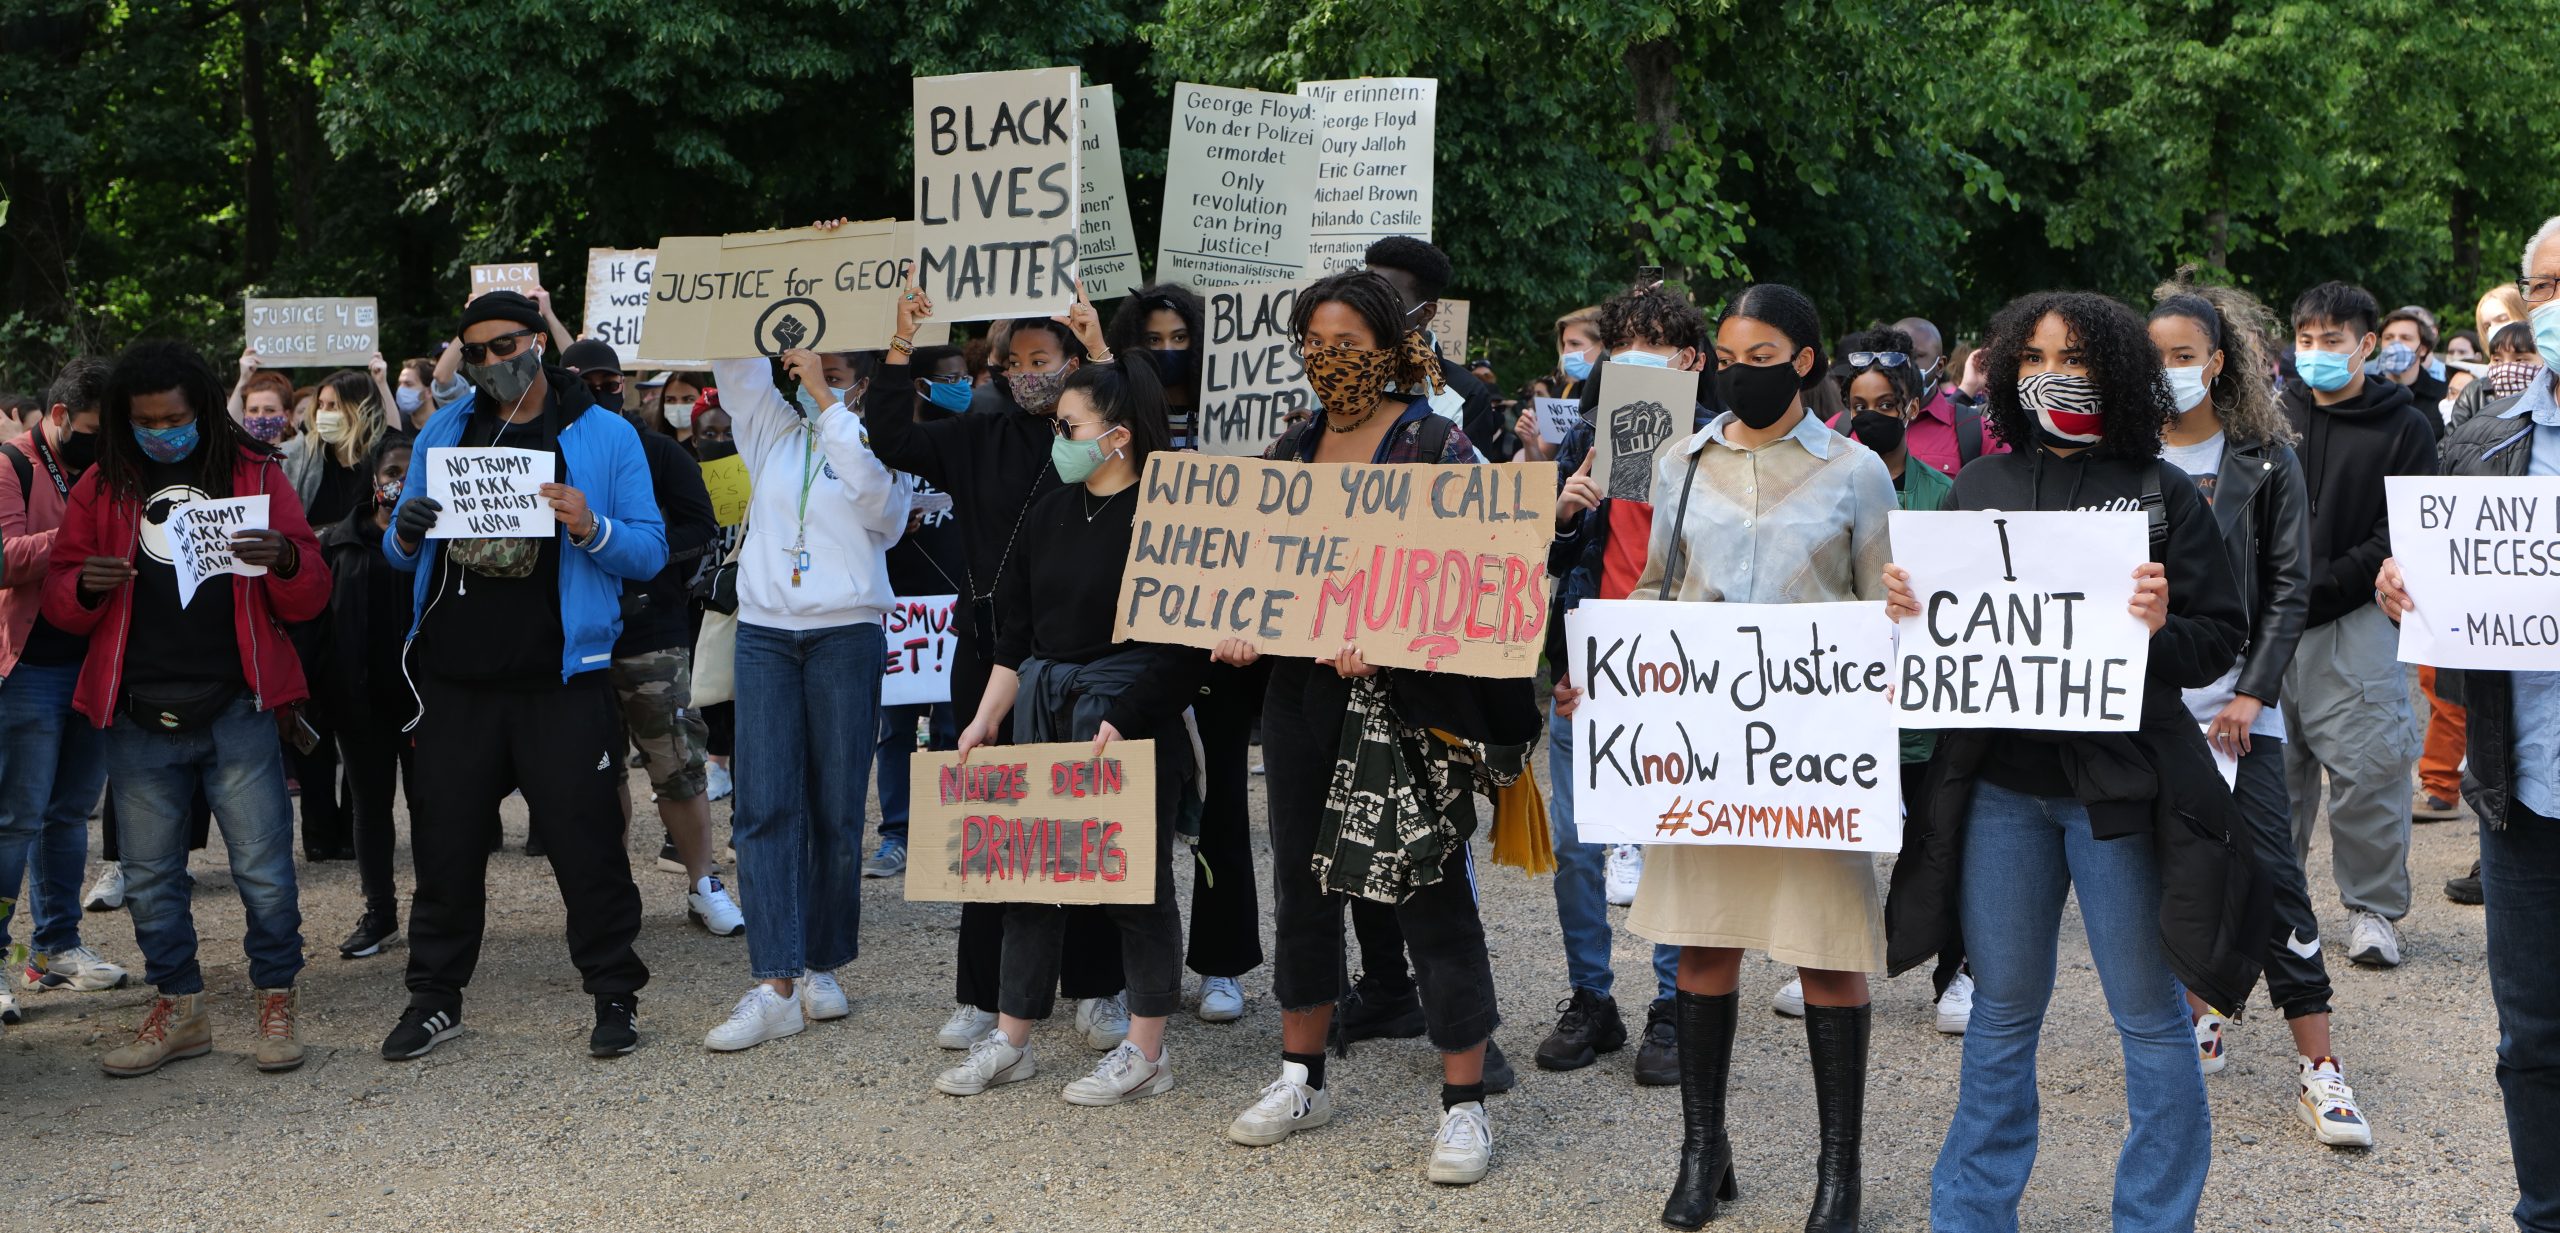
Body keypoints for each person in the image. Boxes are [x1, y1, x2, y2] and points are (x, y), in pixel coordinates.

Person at [1884, 290, 2257, 1231]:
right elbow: (1946, 646)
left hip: (2119, 797)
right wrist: (1909, 607)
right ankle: (1969, 1217)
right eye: (2036, 356)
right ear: (2010, 370)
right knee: (2003, 1015)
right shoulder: (1978, 487)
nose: (2055, 374)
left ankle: (2155, 1218)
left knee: (2149, 1018)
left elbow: (2219, 638)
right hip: (2004, 795)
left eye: (2079, 358)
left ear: (2121, 373)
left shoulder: (2162, 491)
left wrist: (2158, 629)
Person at [1558, 285, 1893, 1229]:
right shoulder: (1678, 461)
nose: (1743, 367)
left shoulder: (1858, 472)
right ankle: (1703, 1152)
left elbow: (1883, 612)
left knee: (1829, 957)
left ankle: (1840, 1172)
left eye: (1764, 351)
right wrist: (1604, 664)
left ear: (1804, 358)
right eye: (1731, 351)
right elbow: (1658, 586)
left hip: (1810, 762)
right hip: (1702, 753)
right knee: (1703, 945)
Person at [1216, 269, 1537, 1186]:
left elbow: (1487, 576)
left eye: (1349, 342)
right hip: (1300, 697)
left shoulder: (1439, 446)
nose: (1330, 359)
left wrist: (1394, 642)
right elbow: (1253, 569)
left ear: (1393, 348)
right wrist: (1240, 625)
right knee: (1303, 884)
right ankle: (1299, 1076)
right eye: (1314, 342)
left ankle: (1466, 1104)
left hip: (1403, 704)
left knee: (1429, 885)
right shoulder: (1288, 453)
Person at [378, 290, 666, 1061]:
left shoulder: (604, 436)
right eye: (478, 352)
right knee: (444, 848)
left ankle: (614, 993)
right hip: (454, 682)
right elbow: (402, 552)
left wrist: (591, 524)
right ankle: (435, 999)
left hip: (561, 681)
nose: (496, 362)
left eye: (508, 345)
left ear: (539, 340)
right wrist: (403, 538)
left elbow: (649, 549)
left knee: (587, 844)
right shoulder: (444, 430)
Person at [856, 263, 1130, 1055]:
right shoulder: (977, 435)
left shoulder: (1102, 437)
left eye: (1043, 360)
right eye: (1012, 363)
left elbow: (1137, 406)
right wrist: (900, 342)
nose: (1025, 375)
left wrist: (1101, 343)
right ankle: (983, 993)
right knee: (993, 815)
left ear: (1073, 363)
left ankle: (1098, 986)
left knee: (1086, 811)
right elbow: (893, 436)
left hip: (1084, 652)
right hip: (988, 653)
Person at [44, 340, 332, 1077]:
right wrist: (84, 587)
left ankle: (276, 996)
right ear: (121, 420)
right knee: (147, 875)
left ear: (202, 408)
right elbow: (61, 602)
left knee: (265, 866)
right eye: (144, 420)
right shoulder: (101, 488)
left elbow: (312, 593)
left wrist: (289, 560)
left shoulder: (256, 474)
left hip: (237, 706)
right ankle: (180, 1005)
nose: (160, 431)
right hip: (139, 714)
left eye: (174, 417)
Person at [936, 354, 1207, 1104]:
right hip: (1046, 710)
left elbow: (1183, 644)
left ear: (1117, 436)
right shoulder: (1049, 508)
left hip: (1127, 712)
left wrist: (1126, 715)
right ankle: (1013, 1037)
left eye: (1068, 425)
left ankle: (1145, 1050)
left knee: (1136, 885)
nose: (1056, 436)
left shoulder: (1165, 514)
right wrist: (983, 721)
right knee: (1027, 878)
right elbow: (1017, 639)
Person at [2149, 279, 2372, 1146]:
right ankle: (2198, 1013)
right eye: (2153, 356)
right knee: (2173, 876)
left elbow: (2287, 589)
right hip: (2149, 711)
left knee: (2275, 878)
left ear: (2217, 361)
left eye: (2183, 356)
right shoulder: (2123, 462)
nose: (2168, 371)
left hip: (2242, 712)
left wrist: (2253, 691)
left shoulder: (2267, 461)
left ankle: (2322, 1068)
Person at [2376, 217, 2560, 1226]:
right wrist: (2405, 582)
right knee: (2532, 1036)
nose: (2556, 303)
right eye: (2543, 286)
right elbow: (2441, 583)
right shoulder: (2479, 444)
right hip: (2521, 790)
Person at [697, 323, 910, 1051]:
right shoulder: (769, 429)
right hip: (764, 633)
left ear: (861, 380)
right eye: (805, 364)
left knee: (837, 807)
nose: (812, 373)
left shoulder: (880, 440)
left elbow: (884, 511)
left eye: (835, 369)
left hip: (845, 634)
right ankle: (775, 980)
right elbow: (732, 356)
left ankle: (822, 961)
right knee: (763, 804)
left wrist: (828, 402)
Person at [1533, 279, 1712, 1088]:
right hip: (1590, 668)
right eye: (1621, 339)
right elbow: (1555, 565)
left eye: (1650, 340)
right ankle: (1590, 999)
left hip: (1681, 670)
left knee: (1674, 839)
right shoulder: (1590, 444)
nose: (1628, 355)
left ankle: (1674, 1005)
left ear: (1689, 359)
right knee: (1578, 846)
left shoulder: (1723, 449)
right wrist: (1564, 518)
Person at [1792, 325, 1975, 1037]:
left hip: (1928, 704)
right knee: (1838, 835)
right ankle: (1827, 956)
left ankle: (1956, 971)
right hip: (1852, 701)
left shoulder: (1947, 494)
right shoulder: (1825, 488)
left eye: (1884, 402)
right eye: (1857, 401)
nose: (1870, 413)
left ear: (1909, 408)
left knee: (1943, 838)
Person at [2277, 280, 2438, 969]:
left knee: (2370, 769)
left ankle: (2373, 909)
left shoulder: (2405, 426)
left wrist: (2331, 580)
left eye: (2332, 341)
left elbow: (2400, 529)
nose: (2315, 353)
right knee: (2268, 776)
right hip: (2271, 620)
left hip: (2359, 615)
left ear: (2366, 345)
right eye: (2306, 340)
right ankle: (2271, 906)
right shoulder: (2270, 416)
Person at [562, 339, 738, 939]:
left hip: (650, 631)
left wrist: (644, 555)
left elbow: (699, 527)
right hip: (578, 637)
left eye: (607, 381)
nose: (596, 391)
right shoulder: (543, 452)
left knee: (679, 766)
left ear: (627, 387)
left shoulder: (658, 451)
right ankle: (613, 893)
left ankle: (703, 883)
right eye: (582, 381)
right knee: (596, 770)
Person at [0, 358, 131, 1011]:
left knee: (67, 814)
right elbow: (3, 558)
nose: (102, 445)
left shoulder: (105, 470)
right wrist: (76, 539)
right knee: (13, 820)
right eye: (90, 430)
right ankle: (1, 958)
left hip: (92, 666)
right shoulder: (11, 464)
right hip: (28, 670)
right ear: (57, 418)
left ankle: (54, 949)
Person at [865, 346, 968, 882]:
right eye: (949, 379)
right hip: (898, 608)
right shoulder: (887, 444)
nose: (961, 386)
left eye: (965, 376)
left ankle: (947, 829)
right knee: (895, 728)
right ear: (921, 384)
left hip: (952, 608)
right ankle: (897, 835)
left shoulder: (969, 437)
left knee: (954, 726)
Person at [284, 362, 393, 864]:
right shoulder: (302, 459)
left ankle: (356, 827)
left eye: (332, 407)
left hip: (366, 604)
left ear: (359, 409)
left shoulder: (384, 459)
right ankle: (319, 831)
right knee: (312, 715)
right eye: (320, 406)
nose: (322, 415)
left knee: (362, 715)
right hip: (311, 606)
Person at [315, 437, 419, 958]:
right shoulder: (336, 542)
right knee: (369, 807)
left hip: (425, 704)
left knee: (431, 808)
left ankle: (435, 909)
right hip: (359, 704)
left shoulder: (442, 540)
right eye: (393, 470)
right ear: (375, 477)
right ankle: (380, 912)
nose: (401, 480)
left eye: (413, 469)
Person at [1364, 237, 1509, 460]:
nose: (1368, 307)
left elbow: (1473, 486)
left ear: (1426, 312)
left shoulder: (1465, 394)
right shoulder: (1336, 372)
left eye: (1385, 298)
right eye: (1364, 293)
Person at [1107, 284, 1205, 450]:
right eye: (1154, 340)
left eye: (1179, 337)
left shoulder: (1222, 417)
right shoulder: (1126, 418)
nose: (1168, 348)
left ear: (1197, 339)